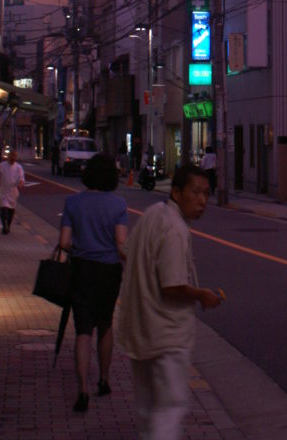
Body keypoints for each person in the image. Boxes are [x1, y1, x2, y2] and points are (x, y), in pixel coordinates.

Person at [117, 165, 222, 440]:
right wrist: (202, 295)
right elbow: (172, 286)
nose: (202, 201)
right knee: (169, 409)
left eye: (206, 194)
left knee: (147, 410)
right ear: (176, 192)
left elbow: (125, 252)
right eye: (195, 192)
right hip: (167, 335)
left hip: (140, 330)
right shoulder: (176, 229)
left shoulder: (152, 214)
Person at [59, 152, 129, 414]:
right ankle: (104, 380)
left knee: (83, 330)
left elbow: (64, 242)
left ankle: (82, 391)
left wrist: (79, 247)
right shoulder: (118, 205)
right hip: (109, 270)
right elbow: (122, 244)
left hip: (81, 269)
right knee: (106, 323)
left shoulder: (73, 203)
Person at [0, 148, 25, 234]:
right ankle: (5, 226)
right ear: (8, 156)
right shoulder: (2, 166)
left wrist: (20, 184)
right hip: (3, 191)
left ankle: (8, 225)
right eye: (12, 156)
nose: (13, 158)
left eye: (15, 156)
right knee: (4, 209)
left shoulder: (18, 168)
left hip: (13, 192)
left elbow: (21, 179)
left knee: (11, 211)